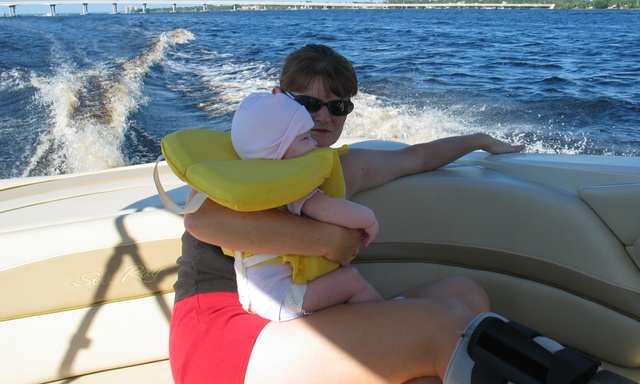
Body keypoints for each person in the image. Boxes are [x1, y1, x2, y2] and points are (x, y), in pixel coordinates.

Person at [169, 43, 526, 384]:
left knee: (464, 294)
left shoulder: (339, 168)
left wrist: (478, 140)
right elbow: (202, 220)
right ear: (279, 99)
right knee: (440, 328)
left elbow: (416, 157)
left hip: (303, 317)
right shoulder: (241, 161)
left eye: (338, 107)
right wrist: (331, 240)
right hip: (228, 334)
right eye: (309, 103)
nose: (323, 116)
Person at [227, 91, 382, 322]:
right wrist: (369, 219)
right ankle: (386, 316)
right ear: (276, 149)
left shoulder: (252, 180)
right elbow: (330, 210)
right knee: (351, 281)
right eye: (303, 138)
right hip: (281, 298)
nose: (312, 143)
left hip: (258, 295)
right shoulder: (289, 185)